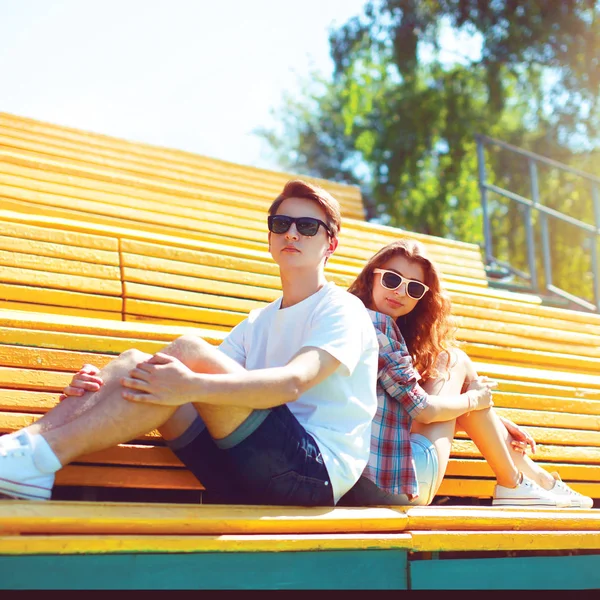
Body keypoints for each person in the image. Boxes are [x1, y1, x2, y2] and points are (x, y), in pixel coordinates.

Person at [0, 180, 379, 506]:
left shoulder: (341, 309)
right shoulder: (258, 320)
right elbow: (191, 380)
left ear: (331, 243)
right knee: (136, 360)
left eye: (308, 227)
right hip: (244, 471)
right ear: (270, 237)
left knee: (187, 353)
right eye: (281, 224)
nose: (292, 234)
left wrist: (190, 384)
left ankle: (41, 457)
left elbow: (294, 381)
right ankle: (20, 449)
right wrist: (95, 389)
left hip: (311, 476)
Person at [339, 238, 593, 509]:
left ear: (421, 298)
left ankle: (535, 481)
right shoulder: (377, 327)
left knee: (461, 391)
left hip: (359, 479)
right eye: (392, 279)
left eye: (413, 288)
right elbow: (424, 410)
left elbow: (402, 410)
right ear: (372, 277)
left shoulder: (352, 320)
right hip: (391, 484)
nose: (400, 292)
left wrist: (488, 416)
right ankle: (517, 483)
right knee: (454, 359)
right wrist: (476, 402)